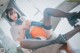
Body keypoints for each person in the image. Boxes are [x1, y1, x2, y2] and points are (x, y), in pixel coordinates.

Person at [5, 7, 80, 53]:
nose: (14, 15)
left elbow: (35, 23)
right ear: (9, 17)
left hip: (44, 30)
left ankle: (72, 16)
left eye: (15, 12)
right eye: (11, 14)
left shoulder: (23, 17)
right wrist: (22, 29)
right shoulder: (12, 29)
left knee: (46, 10)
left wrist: (29, 22)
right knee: (23, 43)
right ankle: (54, 41)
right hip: (38, 40)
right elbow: (20, 40)